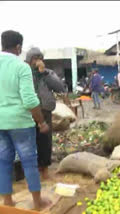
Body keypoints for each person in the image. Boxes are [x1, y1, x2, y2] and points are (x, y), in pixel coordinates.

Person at [0, 30, 51, 210]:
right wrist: (42, 122)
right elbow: (29, 100)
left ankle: (7, 202)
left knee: (3, 161)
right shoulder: (21, 67)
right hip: (20, 123)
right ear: (18, 47)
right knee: (29, 160)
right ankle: (37, 203)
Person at [25, 47, 65, 179]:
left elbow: (60, 88)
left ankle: (45, 170)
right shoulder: (24, 72)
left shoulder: (48, 73)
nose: (37, 61)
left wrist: (44, 74)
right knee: (30, 141)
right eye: (35, 59)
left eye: (39, 58)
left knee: (45, 141)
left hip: (45, 111)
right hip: (28, 112)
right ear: (29, 60)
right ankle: (33, 170)